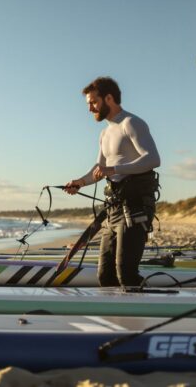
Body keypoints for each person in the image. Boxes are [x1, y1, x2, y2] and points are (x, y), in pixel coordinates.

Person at [64, 76, 161, 287]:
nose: (90, 108)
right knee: (105, 277)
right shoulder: (105, 133)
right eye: (88, 103)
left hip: (134, 208)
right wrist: (80, 182)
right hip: (113, 209)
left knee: (126, 275)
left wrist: (114, 169)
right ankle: (116, 317)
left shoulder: (131, 123)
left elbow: (153, 159)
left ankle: (141, 313)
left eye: (93, 102)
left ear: (109, 98)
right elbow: (99, 169)